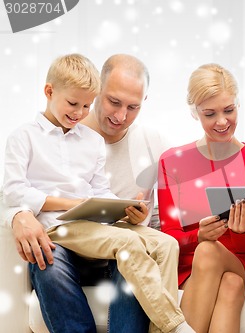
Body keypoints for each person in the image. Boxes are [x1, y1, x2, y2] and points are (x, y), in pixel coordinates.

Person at [1, 53, 193, 333]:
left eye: (85, 106)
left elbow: (101, 190)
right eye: (73, 104)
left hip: (94, 226)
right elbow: (13, 191)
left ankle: (159, 330)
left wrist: (128, 210)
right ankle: (175, 325)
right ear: (49, 91)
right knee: (128, 245)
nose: (79, 112)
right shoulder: (24, 137)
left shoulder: (91, 141)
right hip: (58, 227)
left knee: (166, 244)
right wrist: (59, 205)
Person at [158, 63, 245, 333]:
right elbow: (169, 237)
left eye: (229, 110)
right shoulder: (172, 161)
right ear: (194, 112)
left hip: (241, 261)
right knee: (229, 284)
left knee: (211, 252)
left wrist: (240, 230)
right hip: (190, 269)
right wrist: (197, 237)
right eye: (210, 114)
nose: (222, 122)